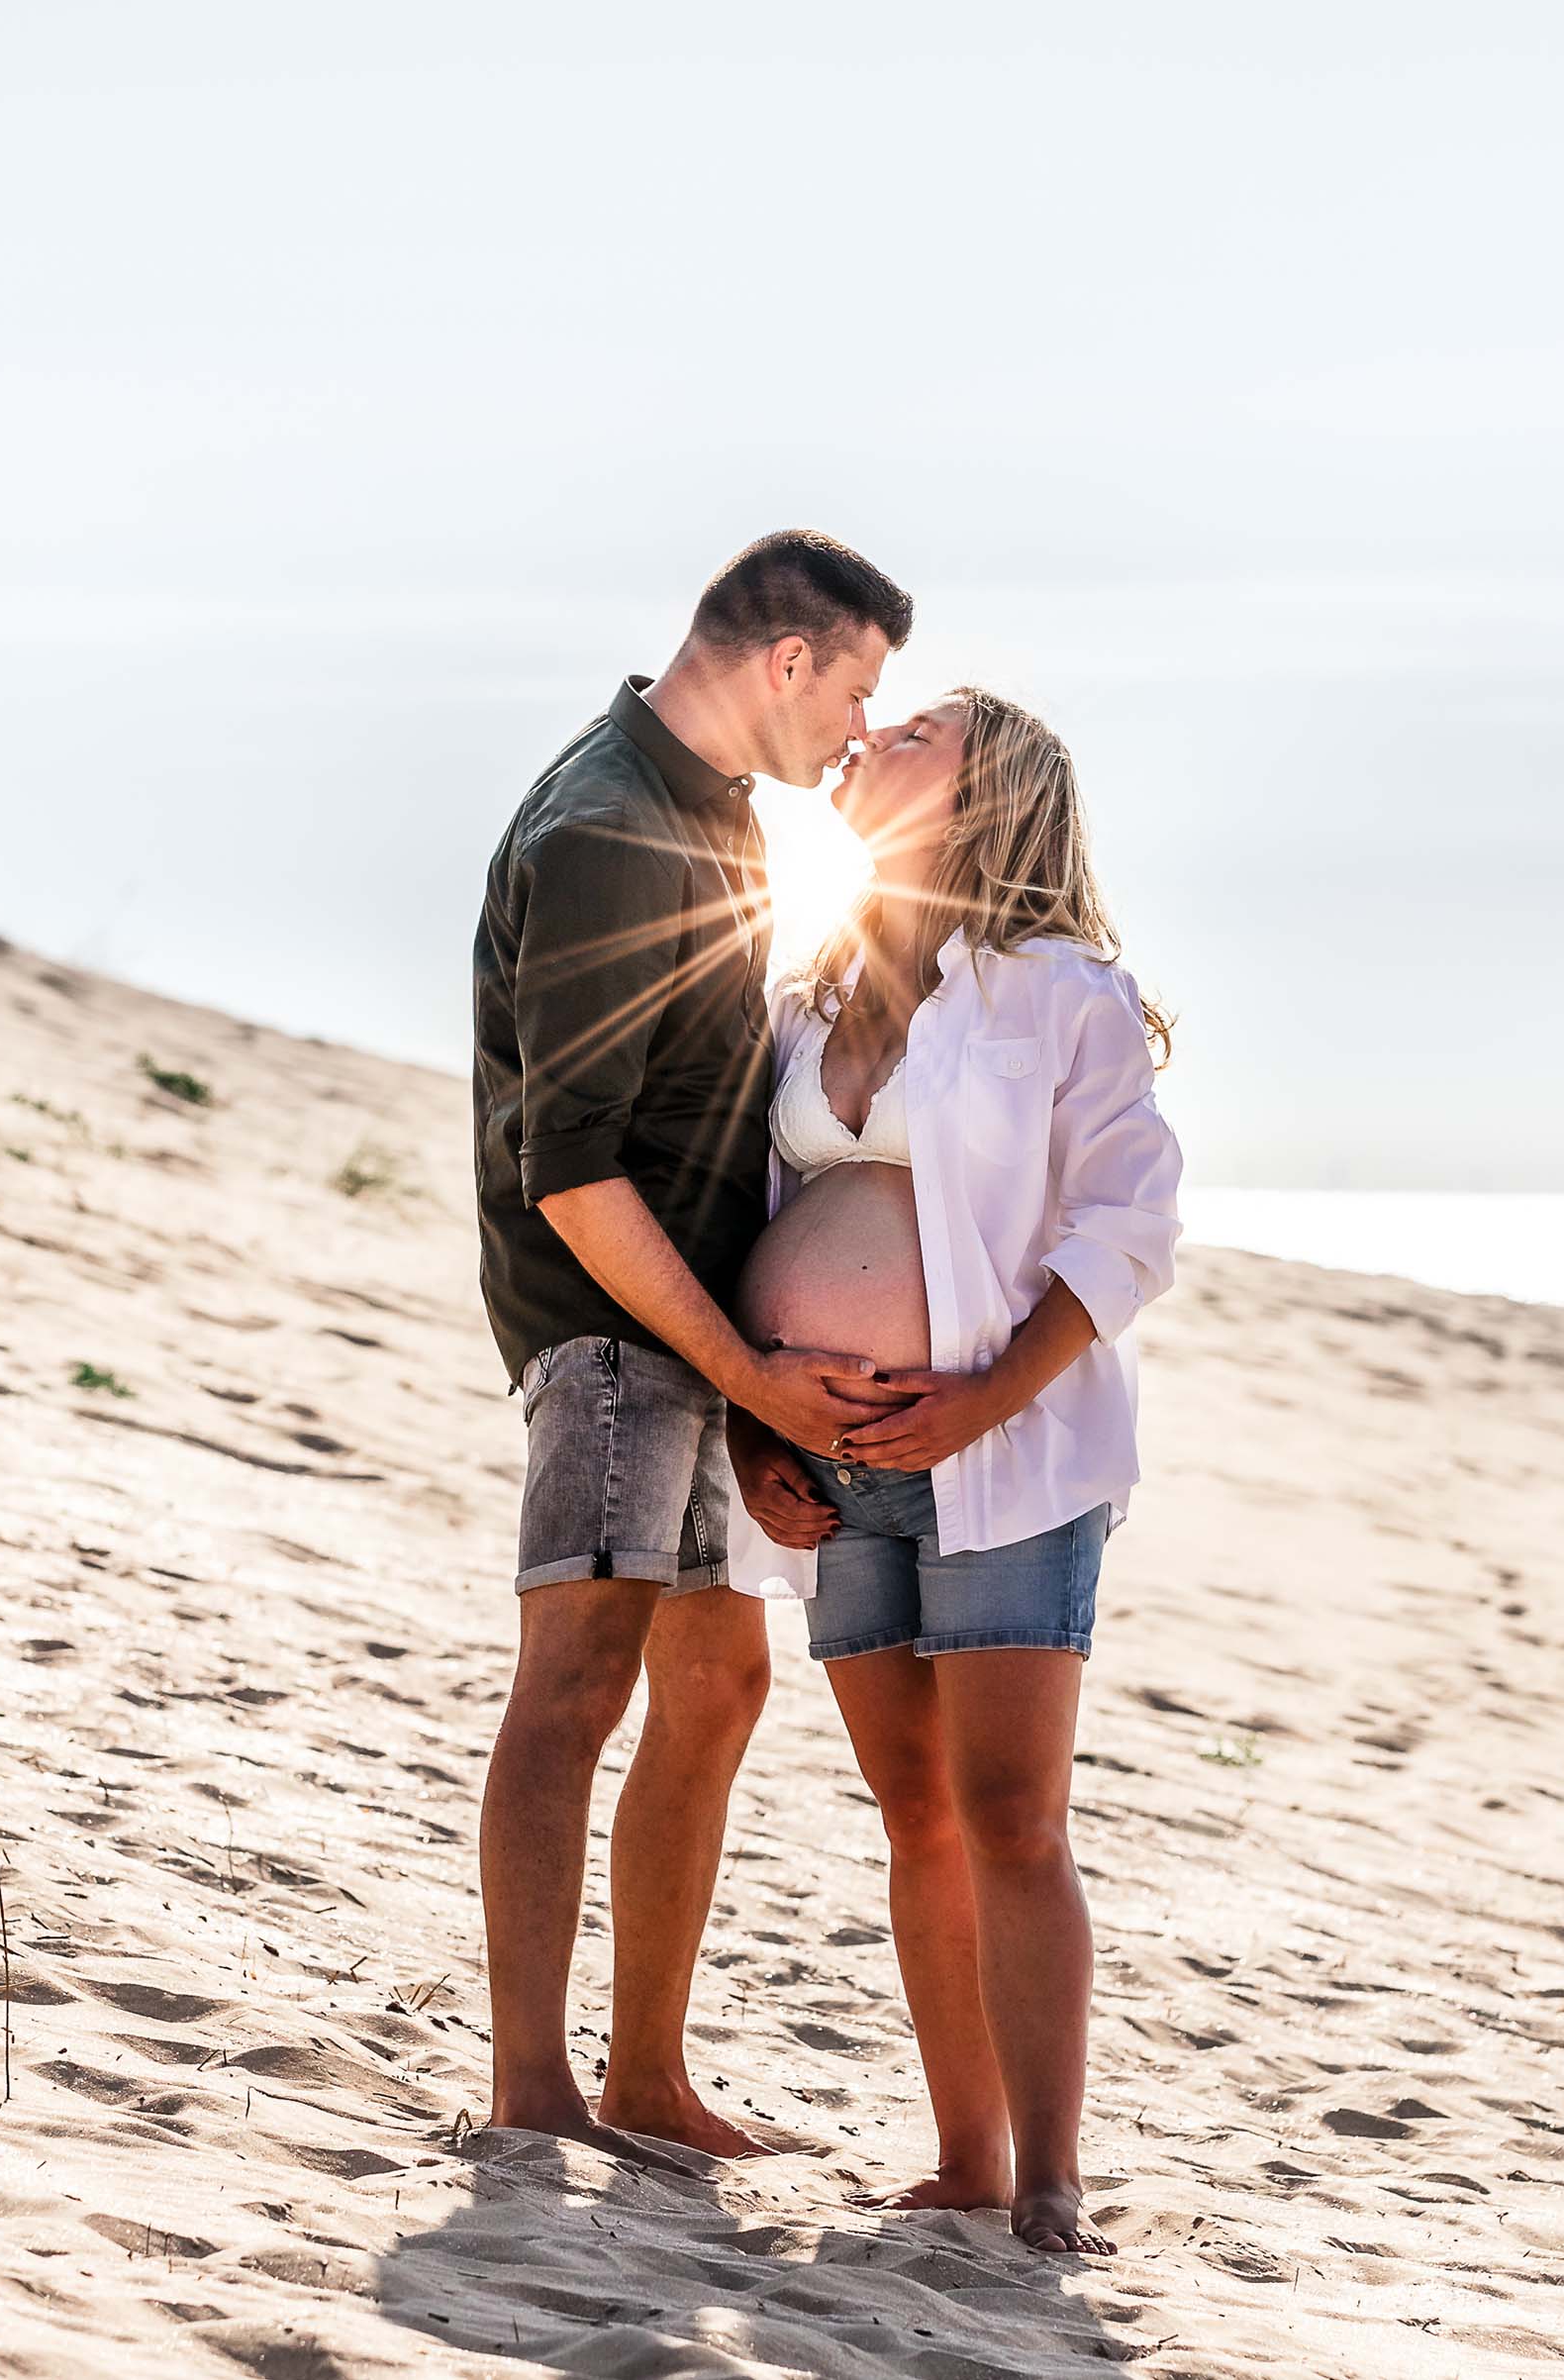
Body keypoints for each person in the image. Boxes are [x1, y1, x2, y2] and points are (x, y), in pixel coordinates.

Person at [466, 529, 917, 2160]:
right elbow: (573, 1172)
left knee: (716, 1682)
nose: (863, 731)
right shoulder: (604, 828)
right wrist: (747, 1376)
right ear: (787, 663)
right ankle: (533, 2090)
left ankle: (648, 2079)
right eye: (858, 689)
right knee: (574, 1681)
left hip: (700, 1339)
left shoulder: (710, 815)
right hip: (607, 1329)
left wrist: (748, 1381)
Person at [727, 688, 1183, 2255]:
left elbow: (1126, 1229)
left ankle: (1051, 2176)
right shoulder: (809, 991)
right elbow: (750, 1229)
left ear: (989, 793)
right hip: (831, 1460)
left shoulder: (1060, 995)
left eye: (914, 728)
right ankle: (967, 2156)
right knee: (911, 1808)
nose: (871, 732)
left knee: (1011, 1815)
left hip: (1011, 1457)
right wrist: (751, 1425)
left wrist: (986, 1398)